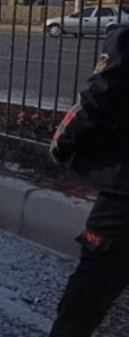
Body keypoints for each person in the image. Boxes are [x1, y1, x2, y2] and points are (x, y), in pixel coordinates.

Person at [48, 25, 129, 336]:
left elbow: (100, 98)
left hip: (124, 198)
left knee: (83, 303)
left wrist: (65, 143)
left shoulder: (127, 38)